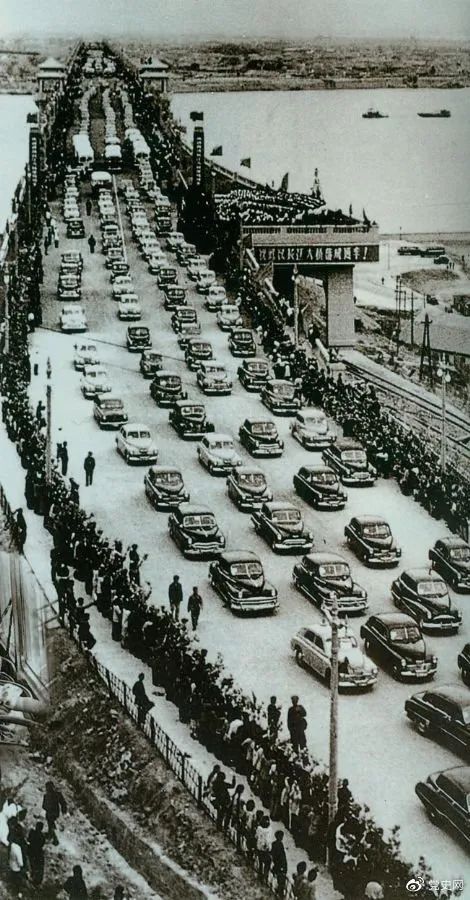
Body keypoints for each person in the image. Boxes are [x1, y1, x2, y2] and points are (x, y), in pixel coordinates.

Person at [42, 781, 67, 845]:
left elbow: (43, 806)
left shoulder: (46, 796)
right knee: (51, 824)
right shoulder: (57, 794)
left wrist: (47, 808)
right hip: (56, 813)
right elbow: (63, 803)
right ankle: (51, 835)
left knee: (50, 824)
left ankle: (54, 838)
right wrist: (64, 811)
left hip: (49, 813)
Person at [27, 820, 46, 886]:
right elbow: (42, 844)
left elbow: (28, 839)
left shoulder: (32, 832)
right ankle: (36, 879)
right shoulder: (42, 836)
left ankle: (32, 875)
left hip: (31, 850)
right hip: (38, 852)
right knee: (38, 865)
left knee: (31, 863)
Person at [270, 830, 287, 897]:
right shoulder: (280, 845)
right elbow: (281, 856)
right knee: (281, 879)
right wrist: (283, 866)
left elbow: (272, 853)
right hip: (280, 864)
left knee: (279, 878)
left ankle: (278, 889)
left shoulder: (274, 844)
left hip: (277, 863)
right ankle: (280, 893)